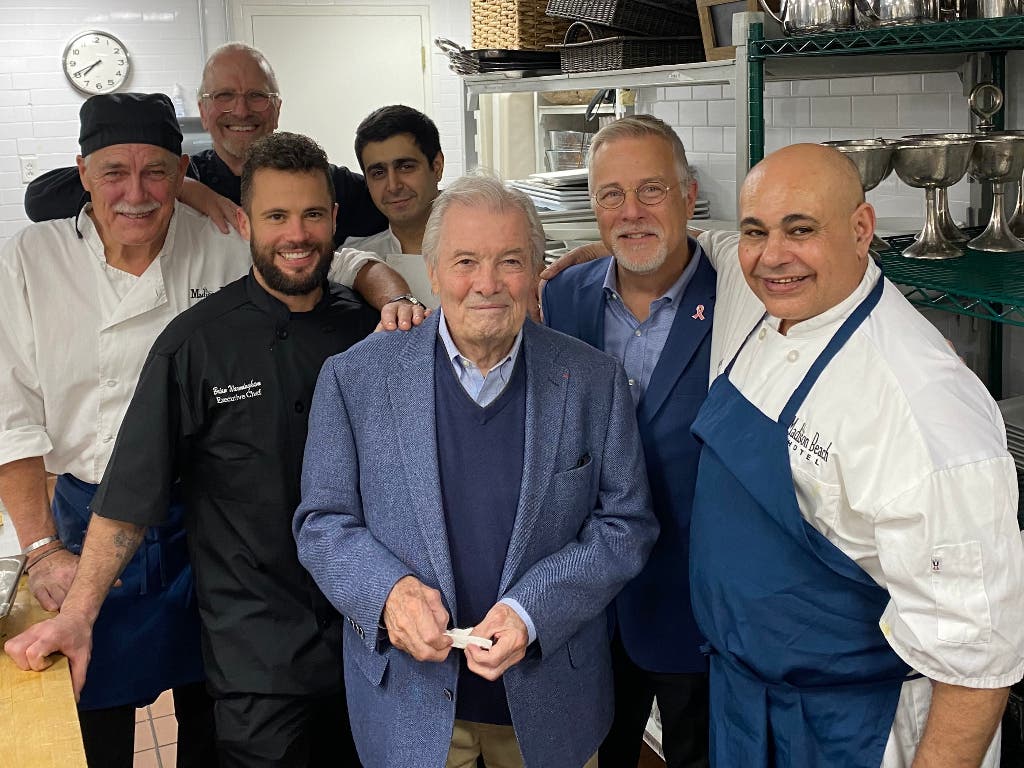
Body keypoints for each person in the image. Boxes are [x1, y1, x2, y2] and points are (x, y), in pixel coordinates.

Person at [6, 131, 377, 768]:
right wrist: (79, 610)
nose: (297, 234)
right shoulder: (194, 345)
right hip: (255, 653)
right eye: (276, 217)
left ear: (335, 219)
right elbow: (132, 492)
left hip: (368, 635)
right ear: (246, 224)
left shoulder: (371, 330)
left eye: (313, 214)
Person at [293, 174, 660, 768]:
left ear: (535, 269)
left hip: (551, 701)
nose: (487, 284)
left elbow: (625, 525)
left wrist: (532, 611)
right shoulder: (355, 378)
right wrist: (388, 594)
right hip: (408, 701)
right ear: (432, 273)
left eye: (510, 261)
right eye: (465, 261)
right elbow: (322, 523)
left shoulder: (594, 380)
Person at [689, 143, 1024, 767]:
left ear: (861, 228)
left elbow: (977, 662)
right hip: (752, 704)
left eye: (802, 229)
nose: (772, 256)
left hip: (851, 728)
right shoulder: (781, 312)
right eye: (756, 232)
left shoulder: (922, 407)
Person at [0, 92, 245, 768]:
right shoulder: (30, 260)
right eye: (114, 172)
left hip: (204, 529)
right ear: (81, 172)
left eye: (156, 173)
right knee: (91, 722)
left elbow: (316, 265)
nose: (135, 193)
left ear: (181, 173)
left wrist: (385, 284)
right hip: (83, 524)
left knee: (213, 718)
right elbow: (9, 418)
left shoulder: (223, 242)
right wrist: (42, 550)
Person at [22, 42, 424, 328]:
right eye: (224, 96)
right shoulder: (182, 180)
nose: (241, 110)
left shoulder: (321, 179)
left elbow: (395, 212)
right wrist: (181, 188)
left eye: (257, 96)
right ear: (203, 109)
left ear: (277, 108)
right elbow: (40, 197)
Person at [542, 114, 714, 768]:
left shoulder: (743, 298)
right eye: (611, 194)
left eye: (652, 190)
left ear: (689, 195)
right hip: (590, 611)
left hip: (697, 610)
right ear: (592, 205)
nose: (631, 211)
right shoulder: (561, 299)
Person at [338, 104, 444, 306]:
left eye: (405, 167)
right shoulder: (353, 262)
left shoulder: (487, 244)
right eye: (378, 173)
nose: (393, 186)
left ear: (437, 166)